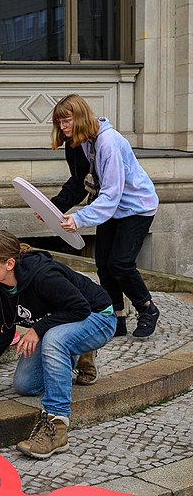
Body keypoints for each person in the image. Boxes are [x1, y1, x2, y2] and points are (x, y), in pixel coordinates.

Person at [0, 230, 115, 459]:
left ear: (8, 263)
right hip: (61, 323)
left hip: (97, 317)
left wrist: (37, 329)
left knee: (55, 339)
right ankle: (76, 352)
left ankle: (56, 427)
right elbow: (3, 333)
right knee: (25, 385)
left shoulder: (44, 276)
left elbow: (80, 308)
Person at [49, 94, 160, 351]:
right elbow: (79, 181)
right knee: (104, 265)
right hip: (110, 208)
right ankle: (116, 318)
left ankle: (147, 308)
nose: (63, 128)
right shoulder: (76, 143)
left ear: (80, 117)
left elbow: (111, 194)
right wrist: (53, 208)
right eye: (59, 123)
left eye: (66, 121)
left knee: (120, 263)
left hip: (136, 207)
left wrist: (78, 219)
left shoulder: (109, 142)